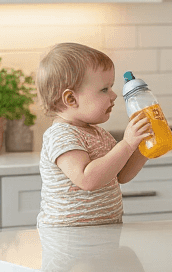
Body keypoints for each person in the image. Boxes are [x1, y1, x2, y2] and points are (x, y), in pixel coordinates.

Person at [36, 42, 152, 227]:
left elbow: (120, 175)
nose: (114, 95)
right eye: (105, 89)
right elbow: (87, 179)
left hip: (102, 232)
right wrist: (127, 144)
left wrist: (143, 148)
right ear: (71, 99)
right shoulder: (60, 135)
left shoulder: (99, 133)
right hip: (68, 240)